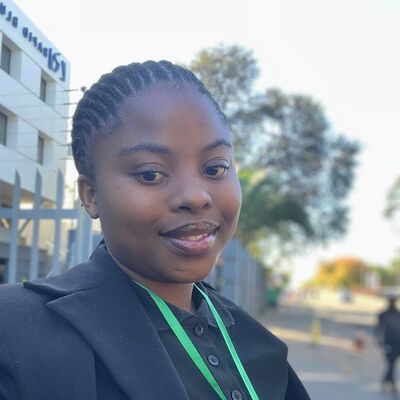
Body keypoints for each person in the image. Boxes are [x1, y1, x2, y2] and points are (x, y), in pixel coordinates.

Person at [0, 61, 310, 400]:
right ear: (91, 195)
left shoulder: (260, 347)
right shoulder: (17, 336)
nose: (196, 196)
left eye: (215, 168)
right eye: (151, 174)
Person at [377, 296, 400, 393]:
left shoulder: (398, 314)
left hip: (397, 343)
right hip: (388, 342)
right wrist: (379, 340)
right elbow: (378, 328)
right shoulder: (383, 314)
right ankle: (392, 385)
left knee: (392, 364)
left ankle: (386, 382)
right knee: (391, 364)